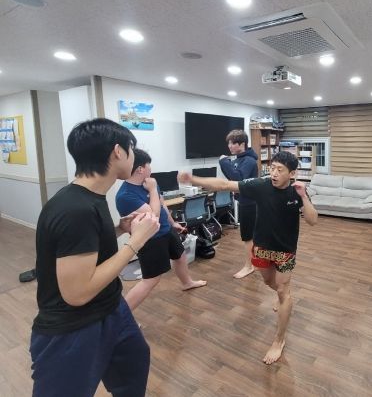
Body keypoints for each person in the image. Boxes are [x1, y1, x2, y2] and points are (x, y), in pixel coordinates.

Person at [30, 118, 160, 396]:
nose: (134, 156)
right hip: (73, 327)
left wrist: (119, 229)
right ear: (118, 152)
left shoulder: (91, 198)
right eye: (132, 150)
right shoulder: (73, 209)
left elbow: (85, 247)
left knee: (135, 365)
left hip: (112, 309)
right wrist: (136, 241)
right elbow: (77, 293)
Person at [178, 151, 317, 365]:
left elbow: (312, 220)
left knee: (283, 290)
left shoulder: (296, 192)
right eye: (272, 168)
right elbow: (226, 185)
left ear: (292, 173)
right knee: (269, 282)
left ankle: (279, 339)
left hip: (286, 250)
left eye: (280, 170)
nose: (274, 173)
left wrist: (304, 196)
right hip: (261, 246)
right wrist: (194, 180)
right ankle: (282, 295)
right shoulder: (261, 185)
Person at [116, 149, 206, 311]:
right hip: (149, 239)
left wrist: (173, 223)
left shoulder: (150, 183)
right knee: (151, 280)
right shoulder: (125, 195)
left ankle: (187, 283)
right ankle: (122, 317)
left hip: (166, 230)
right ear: (140, 169)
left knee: (180, 256)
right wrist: (152, 190)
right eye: (148, 165)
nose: (151, 168)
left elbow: (162, 204)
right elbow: (154, 216)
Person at [219, 129, 259, 279]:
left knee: (248, 236)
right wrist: (226, 164)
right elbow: (232, 178)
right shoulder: (238, 159)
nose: (229, 146)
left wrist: (224, 162)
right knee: (251, 236)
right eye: (228, 143)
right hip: (244, 201)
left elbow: (238, 179)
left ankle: (249, 266)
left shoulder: (248, 161)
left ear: (242, 144)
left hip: (250, 203)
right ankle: (255, 262)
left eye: (232, 143)